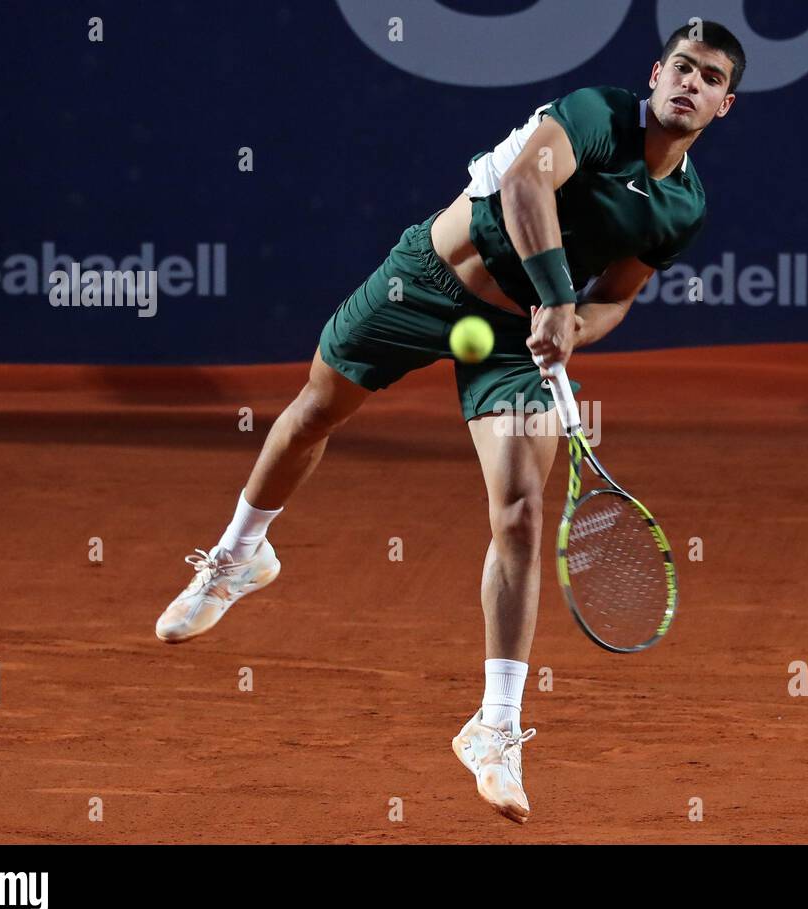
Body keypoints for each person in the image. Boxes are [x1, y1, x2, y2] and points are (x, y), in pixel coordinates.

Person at [154, 22, 744, 824]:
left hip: (512, 345)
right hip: (424, 282)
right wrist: (558, 297)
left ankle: (495, 724)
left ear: (723, 104)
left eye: (708, 78)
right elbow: (527, 190)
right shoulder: (596, 114)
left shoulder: (682, 207)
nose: (689, 83)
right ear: (655, 73)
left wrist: (575, 326)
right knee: (312, 414)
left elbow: (616, 296)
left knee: (524, 513)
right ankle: (238, 556)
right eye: (680, 66)